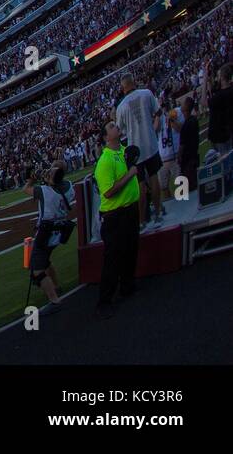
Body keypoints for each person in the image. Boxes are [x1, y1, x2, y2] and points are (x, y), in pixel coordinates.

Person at [94, 121, 140, 320]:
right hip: (114, 215)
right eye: (111, 126)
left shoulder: (123, 151)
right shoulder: (104, 161)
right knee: (113, 259)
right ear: (106, 137)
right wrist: (130, 175)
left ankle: (127, 286)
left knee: (131, 249)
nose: (116, 126)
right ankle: (104, 302)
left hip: (130, 210)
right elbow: (109, 192)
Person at [23, 164, 75, 311]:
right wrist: (50, 178)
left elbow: (26, 189)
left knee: (36, 270)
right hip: (59, 231)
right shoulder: (69, 187)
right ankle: (56, 286)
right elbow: (59, 184)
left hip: (45, 233)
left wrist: (31, 180)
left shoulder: (44, 191)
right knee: (45, 261)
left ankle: (54, 300)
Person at [116, 77, 163, 227]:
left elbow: (121, 130)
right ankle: (158, 211)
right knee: (154, 177)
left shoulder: (121, 106)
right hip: (150, 143)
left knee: (141, 185)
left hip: (135, 151)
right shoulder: (146, 93)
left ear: (123, 88)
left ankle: (142, 220)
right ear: (134, 83)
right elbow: (158, 112)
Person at [208, 63, 233, 151]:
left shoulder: (220, 96)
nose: (217, 78)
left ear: (222, 77)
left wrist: (204, 79)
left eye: (218, 75)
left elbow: (204, 102)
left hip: (221, 135)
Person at [178, 95, 200, 192]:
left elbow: (182, 144)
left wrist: (179, 156)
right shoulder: (193, 120)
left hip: (187, 160)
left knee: (185, 190)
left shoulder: (187, 124)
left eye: (182, 103)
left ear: (186, 107)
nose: (181, 105)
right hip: (193, 156)